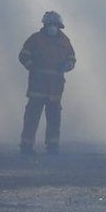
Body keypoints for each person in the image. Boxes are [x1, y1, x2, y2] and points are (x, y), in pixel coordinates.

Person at [18, 10, 76, 155]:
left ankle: (52, 147)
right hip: (37, 87)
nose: (51, 27)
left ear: (59, 25)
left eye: (54, 24)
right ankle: (26, 147)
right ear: (44, 25)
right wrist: (32, 66)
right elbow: (23, 56)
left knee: (54, 120)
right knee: (31, 118)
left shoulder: (65, 41)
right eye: (49, 24)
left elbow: (72, 59)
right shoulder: (35, 39)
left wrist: (66, 66)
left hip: (55, 89)